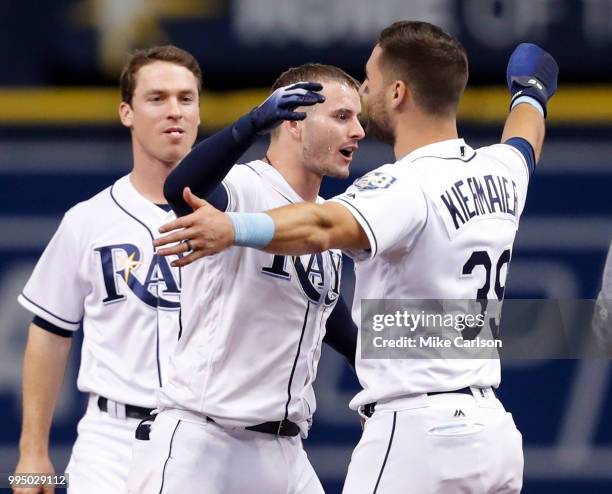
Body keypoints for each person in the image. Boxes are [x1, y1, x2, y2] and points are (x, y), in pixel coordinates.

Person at [153, 22, 559, 494]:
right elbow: (523, 142)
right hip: (491, 430)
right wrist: (530, 95)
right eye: (342, 113)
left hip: (416, 429)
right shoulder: (500, 170)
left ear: (399, 91)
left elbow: (322, 227)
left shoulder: (401, 186)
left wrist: (234, 229)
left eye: (368, 83)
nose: (363, 112)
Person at [127, 63, 364, 494]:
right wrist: (250, 124)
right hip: (205, 442)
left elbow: (334, 321)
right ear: (292, 121)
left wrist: (448, 349)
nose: (359, 131)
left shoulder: (319, 225)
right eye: (342, 116)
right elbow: (182, 187)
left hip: (285, 452)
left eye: (358, 118)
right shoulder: (244, 187)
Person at [13, 45, 203, 493]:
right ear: (127, 113)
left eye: (186, 98)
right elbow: (49, 332)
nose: (173, 111)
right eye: (156, 99)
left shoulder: (241, 214)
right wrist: (32, 452)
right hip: (112, 440)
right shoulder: (89, 220)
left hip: (212, 437)